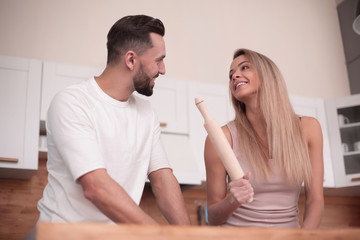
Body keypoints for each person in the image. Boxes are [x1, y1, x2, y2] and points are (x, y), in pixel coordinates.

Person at [36, 15, 191, 225]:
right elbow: (96, 187)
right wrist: (159, 235)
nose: (163, 69)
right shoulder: (73, 102)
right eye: (158, 60)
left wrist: (188, 235)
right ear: (131, 60)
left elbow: (163, 180)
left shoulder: (146, 113)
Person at [204, 48, 324, 228]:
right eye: (231, 75)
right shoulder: (223, 138)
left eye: (244, 68)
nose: (235, 76)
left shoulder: (308, 129)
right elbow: (212, 217)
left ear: (268, 76)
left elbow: (315, 200)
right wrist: (233, 200)